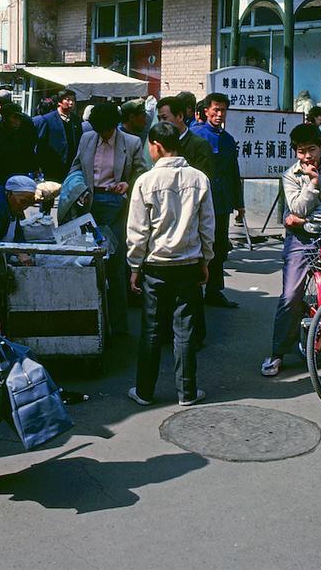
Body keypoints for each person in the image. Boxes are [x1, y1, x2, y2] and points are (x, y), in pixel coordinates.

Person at [126, 121, 215, 406]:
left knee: (152, 329)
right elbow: (207, 226)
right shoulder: (199, 179)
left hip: (156, 265)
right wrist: (206, 259)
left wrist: (134, 266)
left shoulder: (145, 181)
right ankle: (187, 392)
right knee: (184, 329)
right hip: (189, 263)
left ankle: (144, 392)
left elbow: (138, 231)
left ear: (157, 146)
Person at [261, 123, 321, 377]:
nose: (307, 156)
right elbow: (296, 208)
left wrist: (306, 221)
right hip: (300, 241)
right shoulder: (290, 176)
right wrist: (313, 182)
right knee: (290, 296)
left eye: (312, 149)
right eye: (301, 151)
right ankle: (278, 352)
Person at [70, 101, 147, 334]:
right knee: (87, 263)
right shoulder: (87, 139)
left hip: (116, 207)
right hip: (89, 205)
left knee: (114, 266)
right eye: (99, 131)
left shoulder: (131, 142)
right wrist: (78, 189)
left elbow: (142, 172)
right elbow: (75, 167)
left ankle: (119, 326)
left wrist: (127, 184)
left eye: (106, 130)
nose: (103, 135)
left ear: (115, 126)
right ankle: (91, 324)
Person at [191, 92, 244, 308]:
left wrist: (239, 203)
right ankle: (193, 290)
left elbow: (233, 171)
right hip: (198, 201)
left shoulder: (228, 140)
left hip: (221, 203)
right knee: (196, 246)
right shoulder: (196, 136)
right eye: (216, 110)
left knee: (219, 246)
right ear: (206, 111)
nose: (220, 114)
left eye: (223, 110)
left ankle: (214, 290)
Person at [0, 101, 38, 190]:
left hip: (15, 186)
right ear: (5, 118)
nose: (17, 122)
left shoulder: (20, 138)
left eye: (19, 118)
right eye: (14, 118)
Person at [157, 96, 214, 179]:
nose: (161, 123)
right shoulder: (159, 144)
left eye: (164, 118)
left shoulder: (200, 145)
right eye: (159, 119)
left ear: (180, 116)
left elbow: (203, 180)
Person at [36, 88, 82, 182]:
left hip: (71, 165)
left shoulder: (76, 120)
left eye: (73, 100)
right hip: (53, 165)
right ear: (59, 102)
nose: (71, 103)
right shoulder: (48, 120)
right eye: (68, 100)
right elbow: (41, 144)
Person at [0, 174, 38, 242]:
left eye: (29, 203)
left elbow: (18, 234)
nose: (25, 207)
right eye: (23, 202)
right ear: (9, 194)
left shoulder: (13, 204)